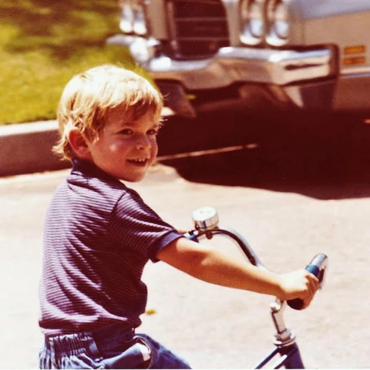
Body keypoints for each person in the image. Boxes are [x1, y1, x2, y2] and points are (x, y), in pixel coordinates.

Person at [38, 64, 319, 369]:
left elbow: (110, 243)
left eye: (151, 130)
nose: (144, 143)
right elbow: (196, 260)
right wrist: (279, 284)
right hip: (104, 353)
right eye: (127, 132)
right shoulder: (116, 203)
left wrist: (172, 235)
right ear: (81, 142)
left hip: (64, 353)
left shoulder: (70, 193)